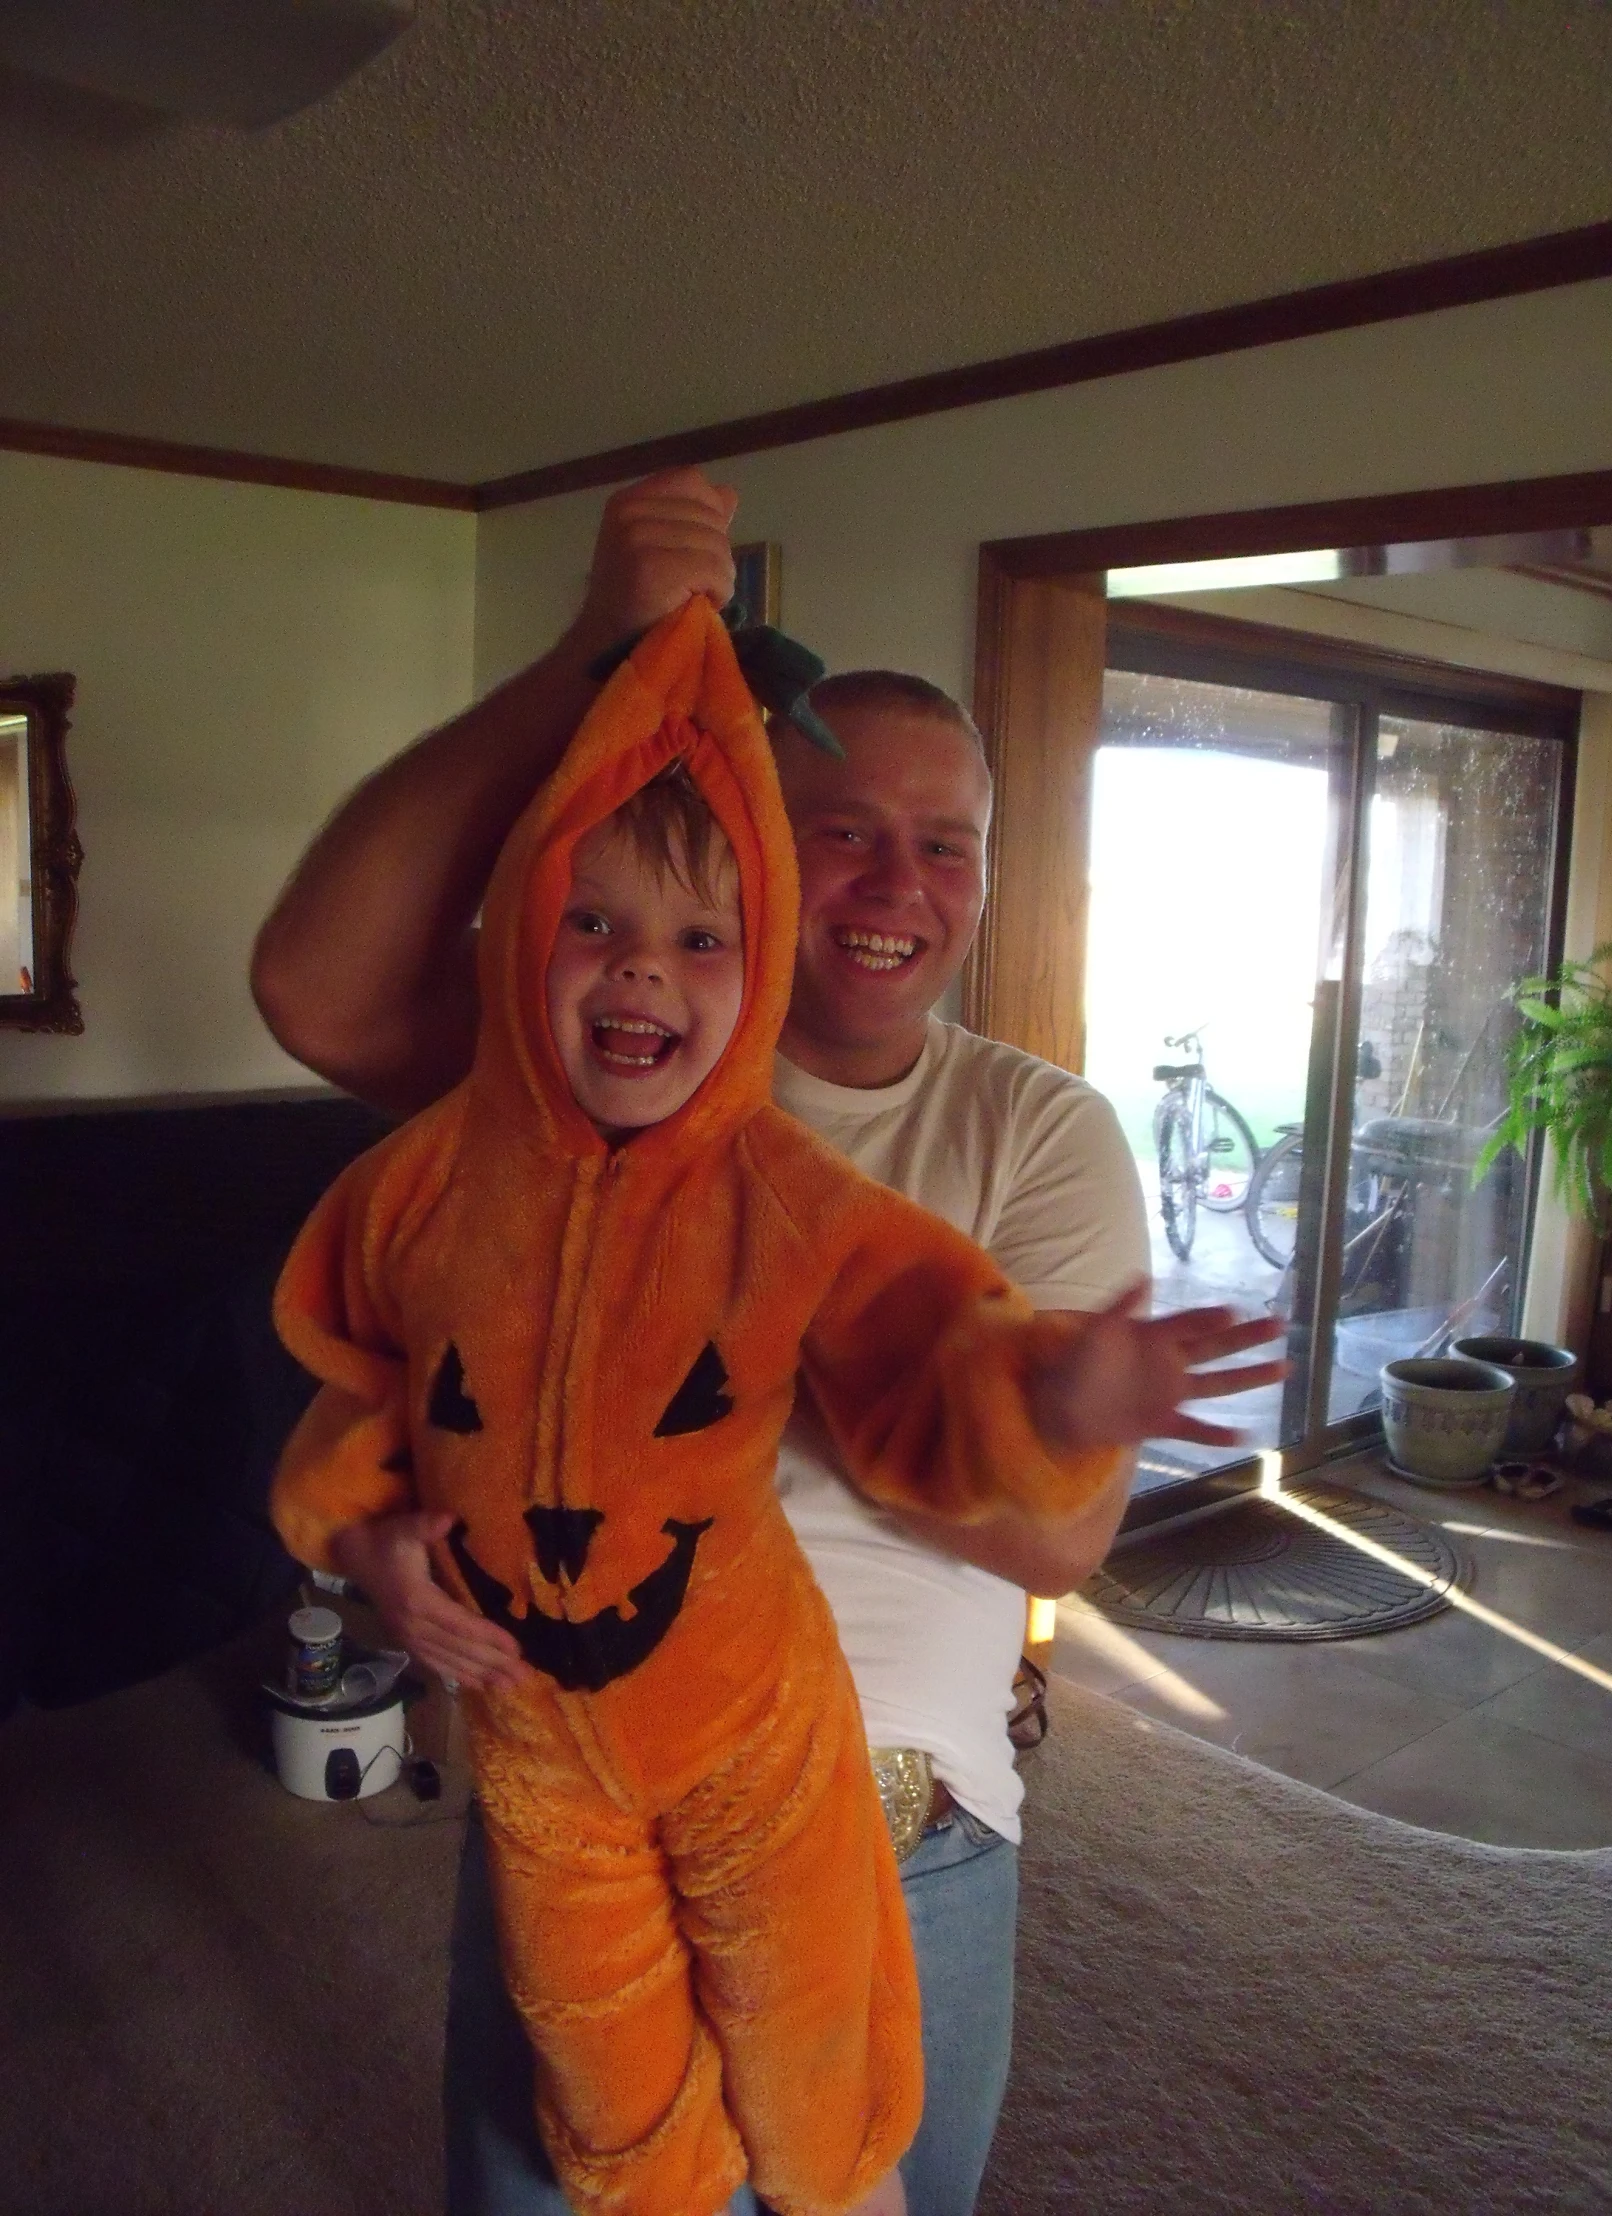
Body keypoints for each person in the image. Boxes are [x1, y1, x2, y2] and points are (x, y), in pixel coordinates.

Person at [250, 469, 1275, 2215]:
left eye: (945, 840)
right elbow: (313, 990)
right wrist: (599, 655)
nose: (897, 880)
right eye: (843, 827)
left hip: (898, 1819)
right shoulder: (565, 1067)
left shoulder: (1031, 1135)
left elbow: (1056, 1532)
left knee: (858, 2174)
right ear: (746, 839)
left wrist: (790, 1359)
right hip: (567, 1761)